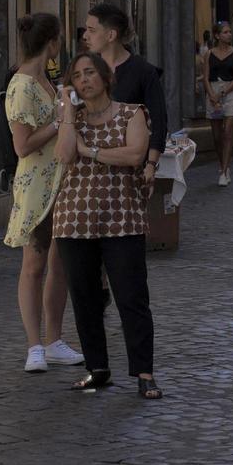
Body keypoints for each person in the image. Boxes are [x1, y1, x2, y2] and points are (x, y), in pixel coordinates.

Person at [53, 51, 162, 399]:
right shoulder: (72, 119)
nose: (84, 80)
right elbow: (64, 155)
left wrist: (92, 152)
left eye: (90, 73)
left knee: (131, 297)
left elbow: (134, 155)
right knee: (84, 298)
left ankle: (144, 373)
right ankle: (97, 369)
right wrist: (68, 111)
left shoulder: (132, 113)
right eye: (77, 76)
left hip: (123, 218)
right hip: (74, 219)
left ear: (104, 77)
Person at [4, 13, 83, 374]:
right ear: (51, 43)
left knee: (59, 264)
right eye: (60, 39)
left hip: (60, 180)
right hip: (37, 185)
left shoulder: (46, 80)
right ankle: (34, 345)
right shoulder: (22, 85)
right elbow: (22, 146)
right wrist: (59, 120)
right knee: (33, 266)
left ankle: (54, 340)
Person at [82, 4, 167, 190]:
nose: (85, 36)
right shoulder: (85, 70)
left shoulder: (143, 71)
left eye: (91, 30)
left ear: (111, 35)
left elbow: (158, 120)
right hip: (88, 169)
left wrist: (151, 165)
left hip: (129, 170)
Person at [202, 21, 233, 186]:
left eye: (229, 32)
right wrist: (212, 95)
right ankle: (222, 164)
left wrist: (222, 93)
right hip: (213, 91)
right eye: (225, 32)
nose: (229, 35)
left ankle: (224, 172)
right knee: (217, 136)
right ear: (217, 35)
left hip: (230, 91)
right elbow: (205, 77)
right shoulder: (209, 54)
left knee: (227, 132)